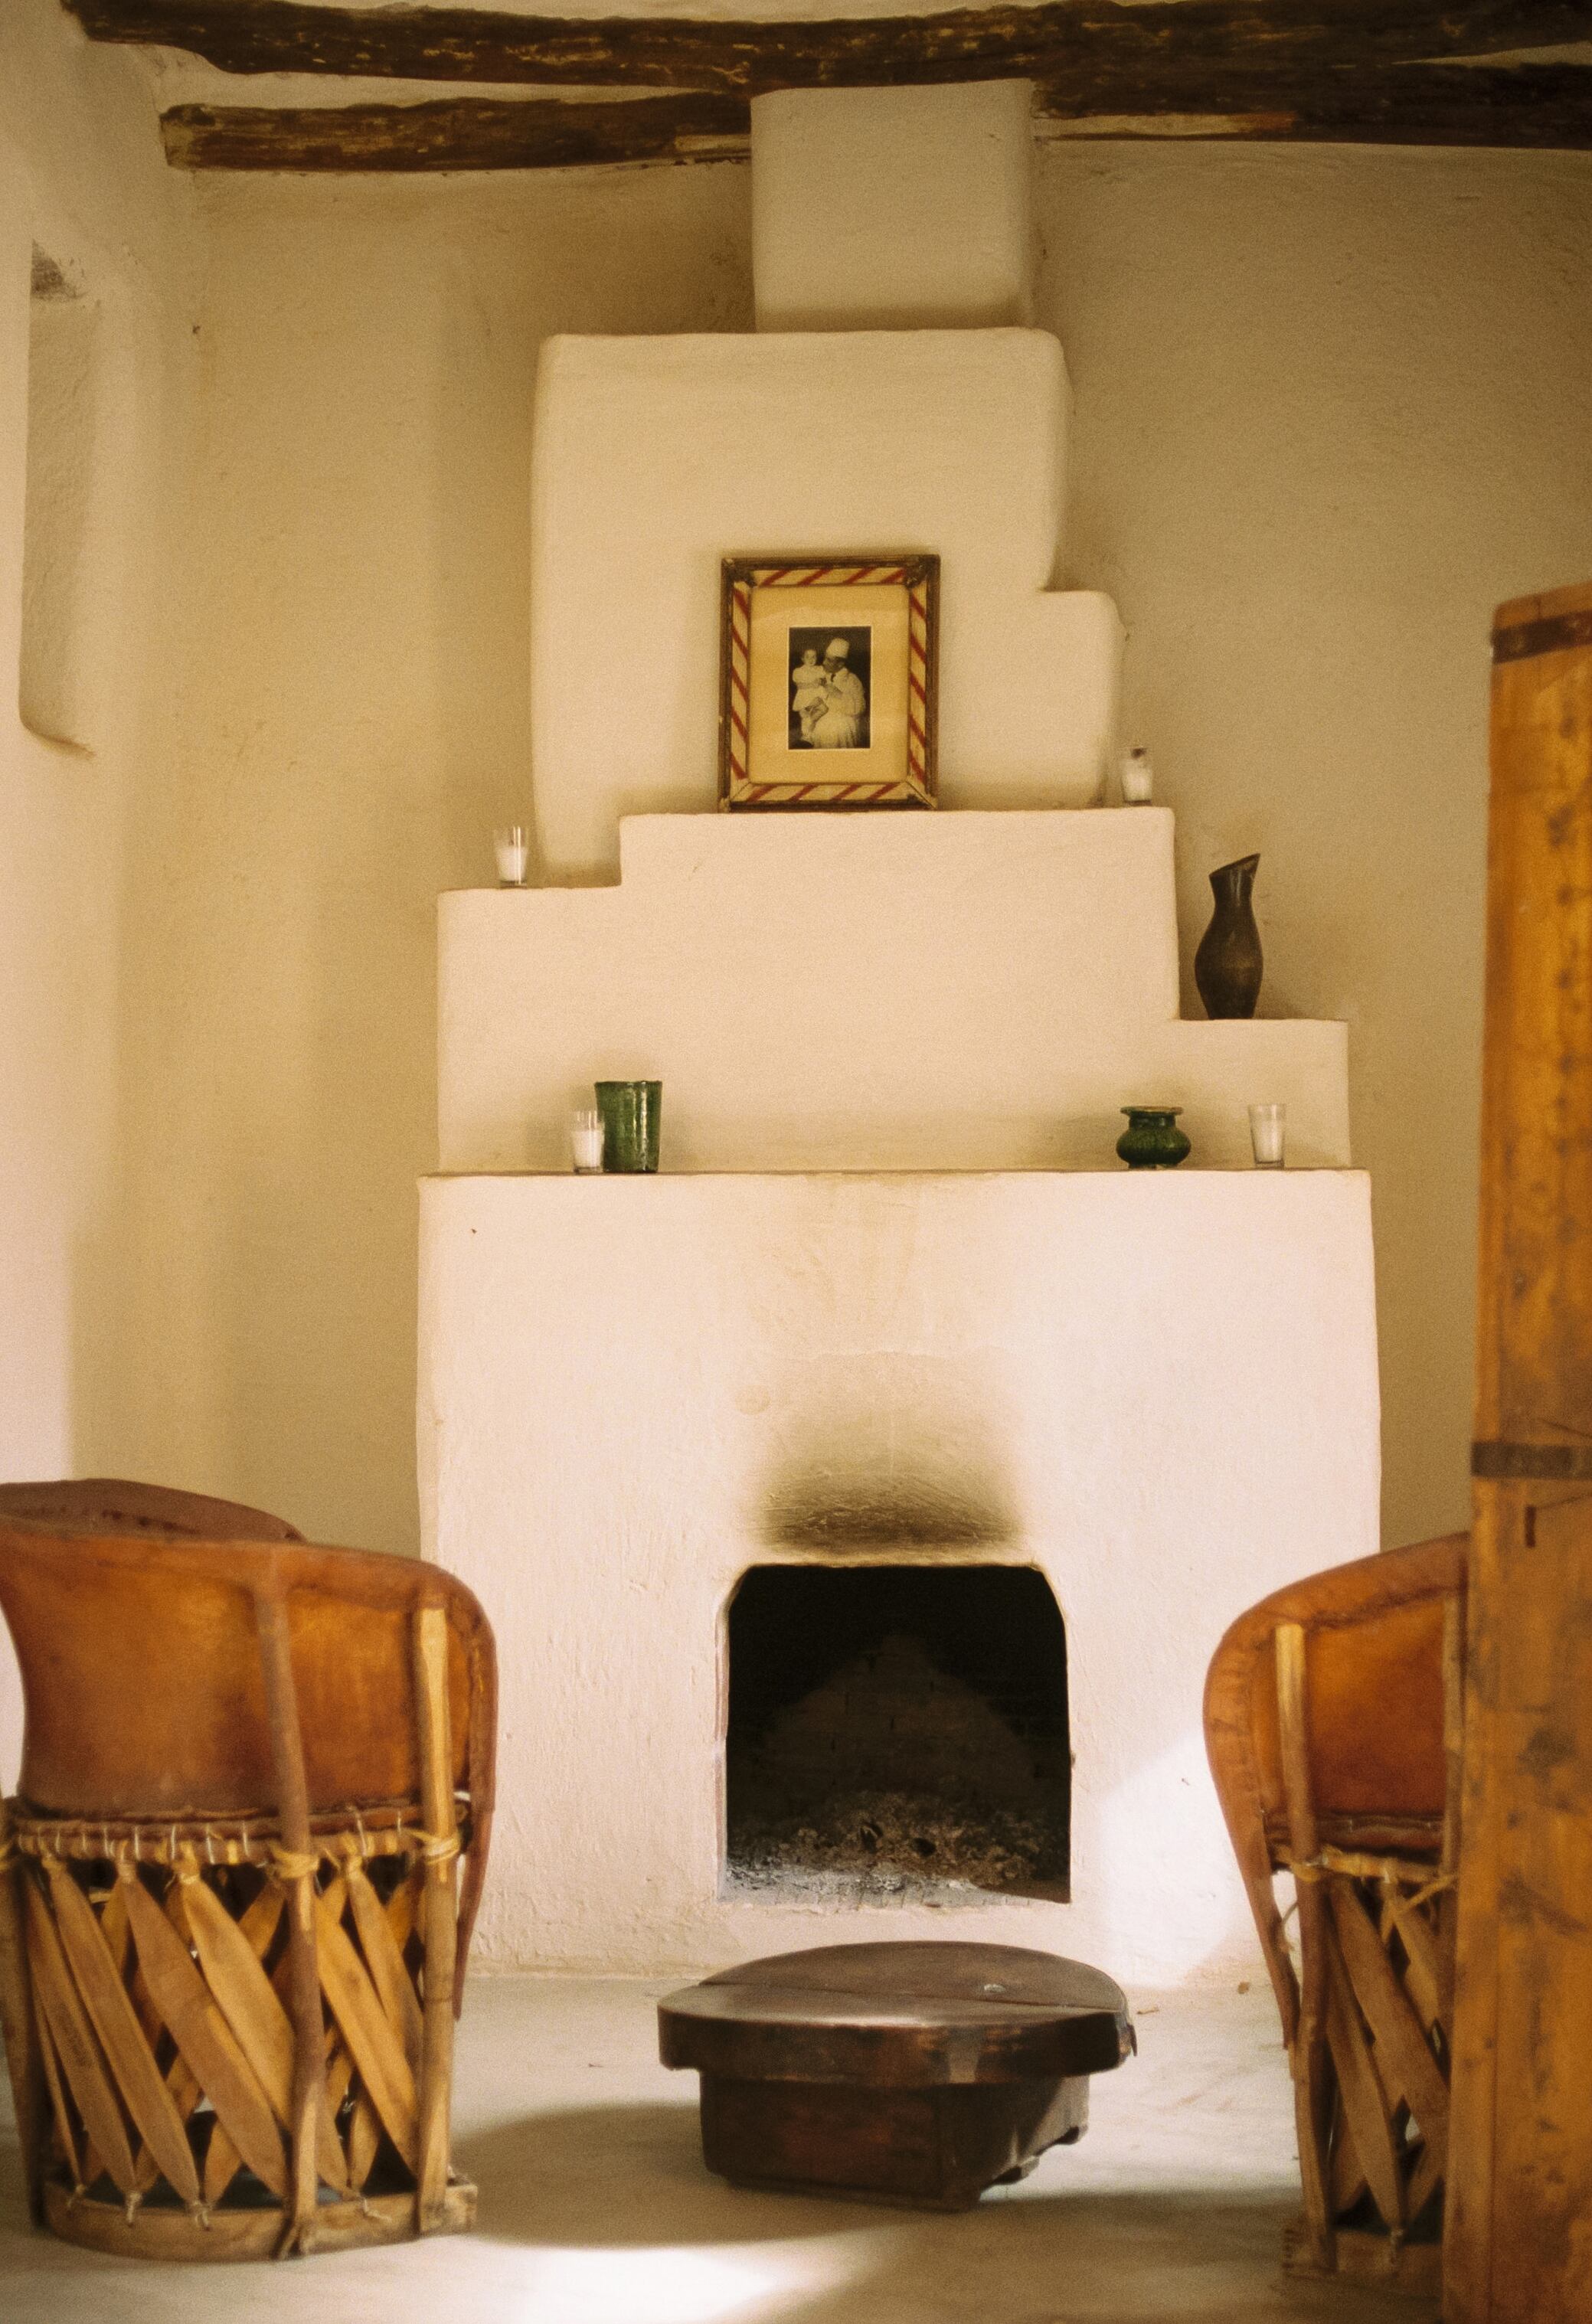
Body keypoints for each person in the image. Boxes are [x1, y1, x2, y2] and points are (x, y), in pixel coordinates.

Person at [808, 638, 866, 750]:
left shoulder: (852, 680)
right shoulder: (822, 675)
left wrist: (839, 695)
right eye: (825, 658)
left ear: (840, 664)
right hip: (822, 725)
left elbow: (860, 708)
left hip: (843, 728)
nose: (824, 662)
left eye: (829, 660)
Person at [790, 646, 827, 743]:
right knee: (805, 716)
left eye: (814, 657)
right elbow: (799, 685)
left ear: (817, 658)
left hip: (817, 696)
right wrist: (812, 684)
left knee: (824, 709)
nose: (811, 660)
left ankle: (811, 723)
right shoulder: (799, 671)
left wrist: (821, 681)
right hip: (805, 696)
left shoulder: (819, 669)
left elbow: (825, 680)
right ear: (802, 658)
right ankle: (806, 735)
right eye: (808, 657)